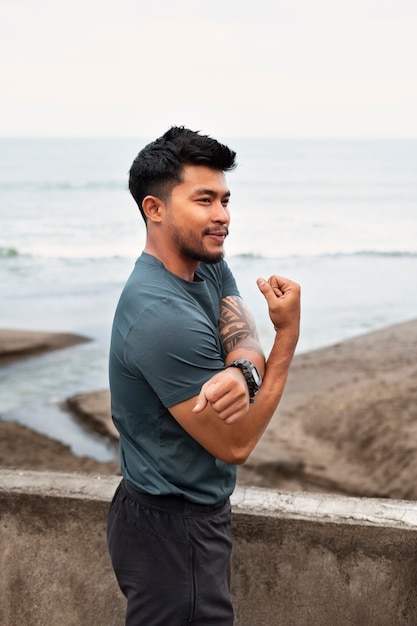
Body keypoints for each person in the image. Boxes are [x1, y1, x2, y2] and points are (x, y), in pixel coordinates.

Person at [107, 126, 300, 625]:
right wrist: (287, 340)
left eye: (225, 200)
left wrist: (242, 373)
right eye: (205, 200)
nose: (223, 217)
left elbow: (241, 334)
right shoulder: (161, 315)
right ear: (155, 209)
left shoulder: (203, 261)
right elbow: (236, 444)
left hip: (177, 517)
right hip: (174, 529)